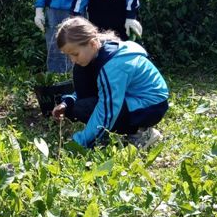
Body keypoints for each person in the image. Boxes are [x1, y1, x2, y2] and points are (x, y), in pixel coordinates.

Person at [51, 17, 168, 149]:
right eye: (68, 55)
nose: (72, 60)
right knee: (80, 106)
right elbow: (91, 88)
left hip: (152, 106)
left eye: (75, 54)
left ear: (92, 44)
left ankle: (142, 133)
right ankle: (113, 131)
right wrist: (68, 102)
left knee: (88, 109)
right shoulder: (96, 53)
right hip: (131, 98)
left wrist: (79, 142)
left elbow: (108, 111)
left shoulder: (112, 66)